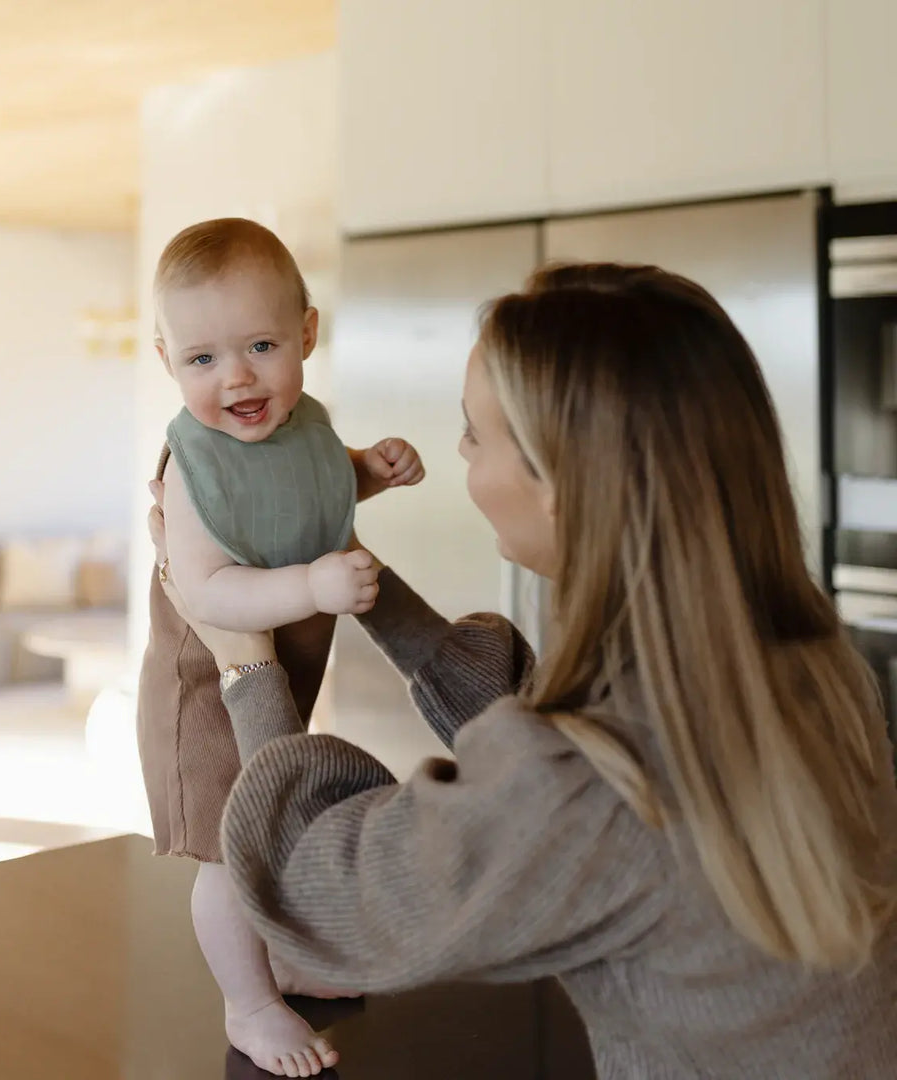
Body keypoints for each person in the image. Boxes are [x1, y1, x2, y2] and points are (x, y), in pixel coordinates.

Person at [149, 262, 897, 1080]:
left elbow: (320, 892)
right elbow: (534, 726)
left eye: (473, 433)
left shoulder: (601, 782)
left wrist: (243, 663)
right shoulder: (816, 669)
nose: (460, 451)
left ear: (560, 488)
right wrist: (350, 577)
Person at [139, 218, 424, 1079]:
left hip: (275, 683)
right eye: (202, 360)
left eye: (261, 345)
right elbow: (209, 590)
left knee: (280, 831)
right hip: (203, 701)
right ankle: (250, 1004)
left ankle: (287, 960)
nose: (237, 379)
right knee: (232, 852)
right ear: (167, 358)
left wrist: (368, 470)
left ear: (306, 332)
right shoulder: (193, 468)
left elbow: (309, 487)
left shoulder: (298, 427)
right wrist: (313, 588)